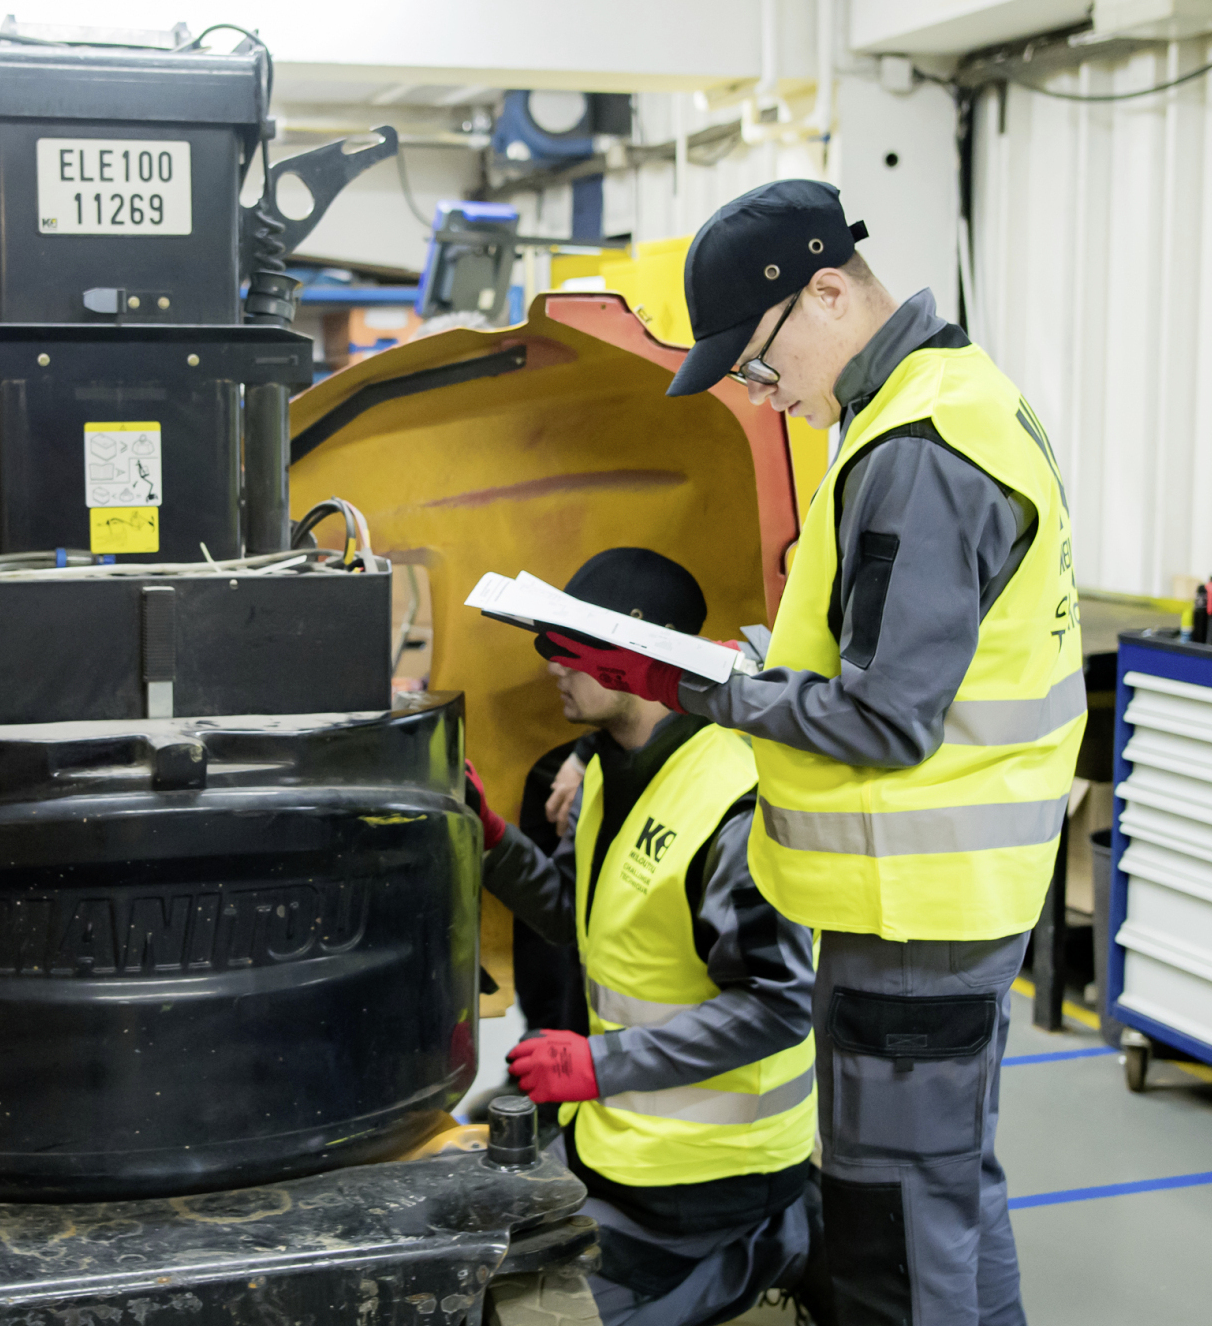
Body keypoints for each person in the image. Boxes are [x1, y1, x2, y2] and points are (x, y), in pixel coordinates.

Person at [543, 180, 1082, 1326]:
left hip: (911, 913)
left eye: (754, 362)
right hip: (937, 900)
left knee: (891, 1232)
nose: (764, 393)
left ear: (823, 291)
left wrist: (701, 682)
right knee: (947, 1194)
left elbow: (886, 720)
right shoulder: (949, 402)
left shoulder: (917, 448)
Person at [463, 547, 820, 1326]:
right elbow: (574, 915)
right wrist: (489, 838)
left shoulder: (733, 801)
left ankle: (771, 1242)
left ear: (636, 655)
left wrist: (595, 1061)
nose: (549, 665)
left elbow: (777, 1006)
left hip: (709, 1173)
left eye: (566, 648)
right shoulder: (604, 770)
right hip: (620, 1140)